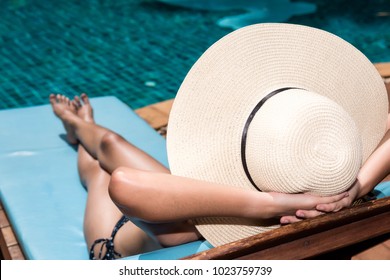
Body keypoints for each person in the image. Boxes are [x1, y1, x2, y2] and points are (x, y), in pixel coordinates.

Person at [49, 93, 390, 259]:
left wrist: (268, 203)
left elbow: (124, 182)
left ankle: (79, 128)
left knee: (99, 171)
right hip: (171, 206)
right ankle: (82, 126)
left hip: (115, 240)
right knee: (108, 143)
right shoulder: (340, 182)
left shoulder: (231, 216)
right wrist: (360, 184)